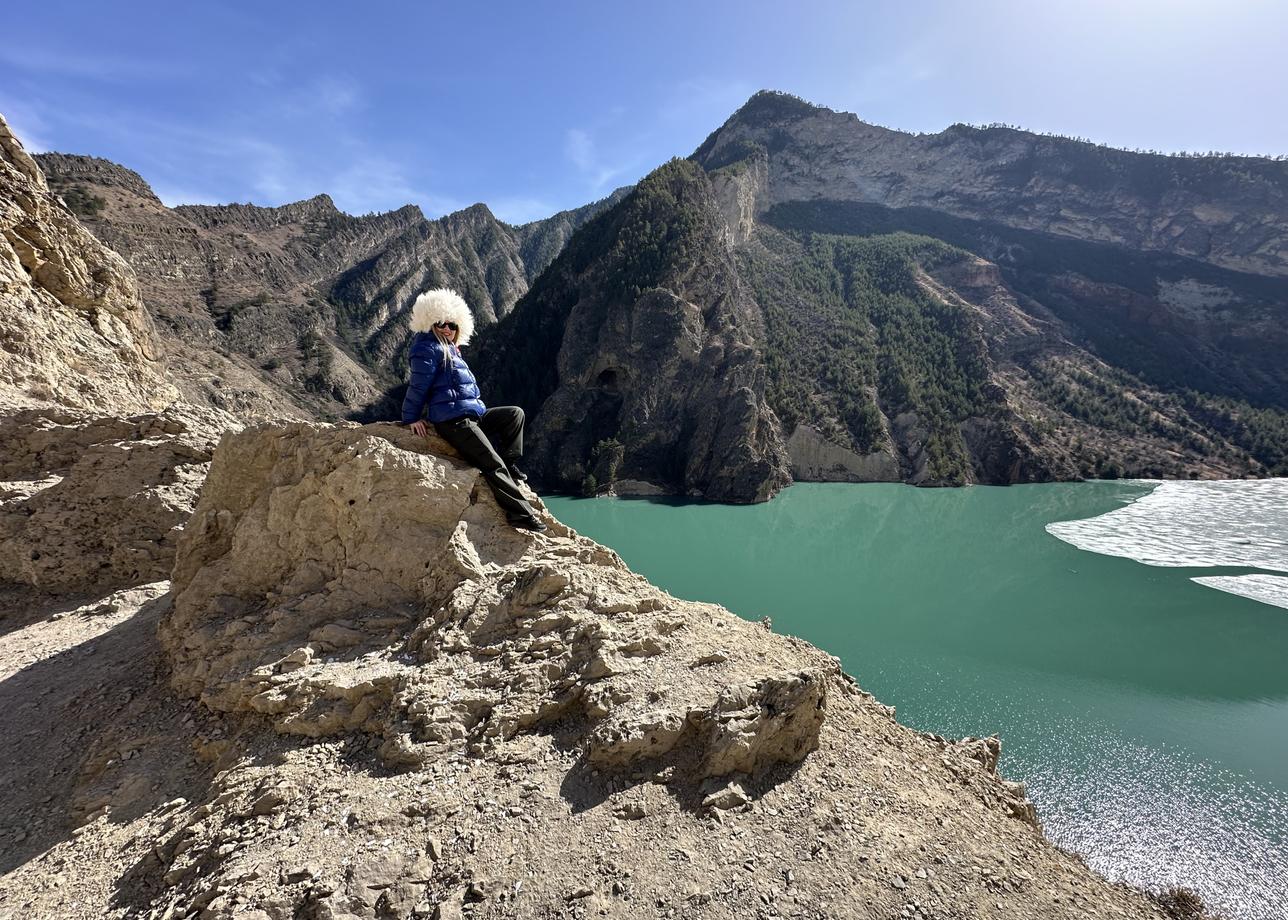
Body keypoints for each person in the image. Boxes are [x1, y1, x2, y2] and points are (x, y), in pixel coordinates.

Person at [400, 288, 547, 533]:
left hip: (472, 415)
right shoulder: (426, 349)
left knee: (515, 414)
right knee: (492, 464)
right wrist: (411, 418)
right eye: (441, 323)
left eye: (452, 325)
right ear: (428, 323)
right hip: (453, 421)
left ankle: (511, 462)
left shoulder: (452, 350)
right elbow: (418, 386)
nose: (447, 329)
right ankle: (520, 514)